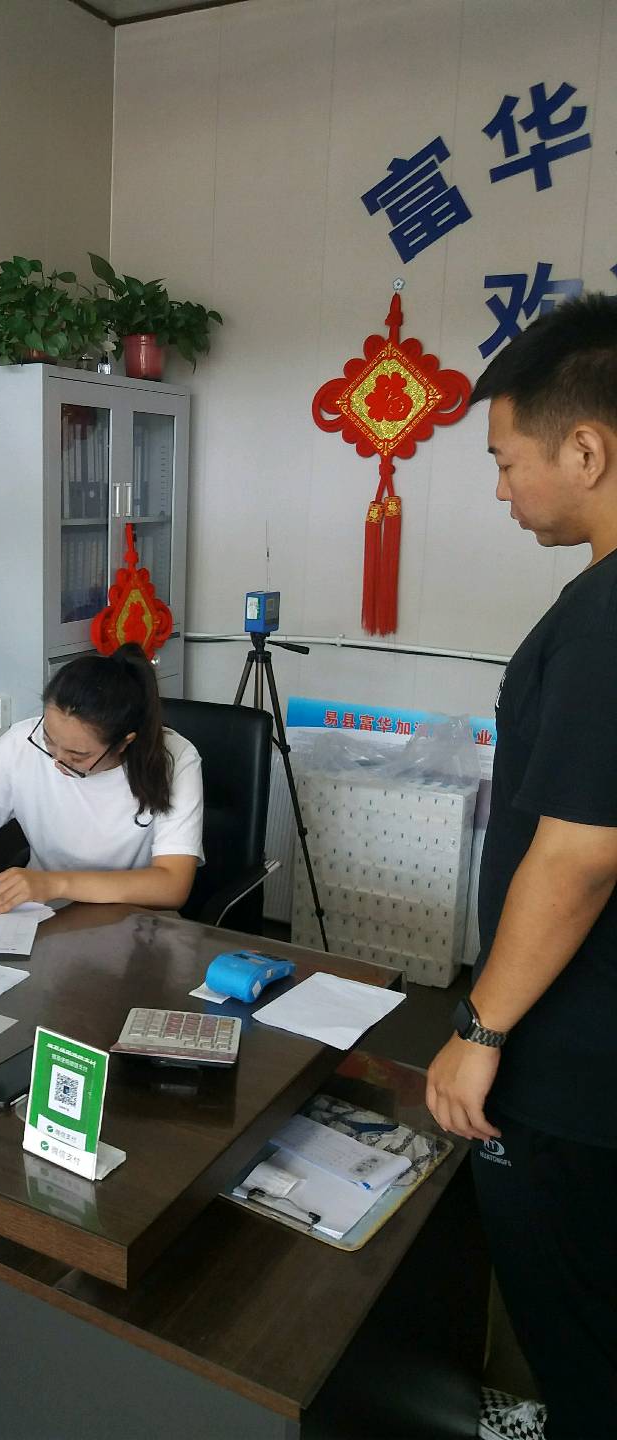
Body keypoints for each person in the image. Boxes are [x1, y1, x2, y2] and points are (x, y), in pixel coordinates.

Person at [425, 294, 617, 1440]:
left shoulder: (607, 613)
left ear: (586, 449)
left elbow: (583, 853)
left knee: (575, 1324)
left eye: (505, 462)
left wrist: (480, 1028)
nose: (502, 490)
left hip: (576, 1064)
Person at [0, 643, 203, 913]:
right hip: (38, 914)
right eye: (48, 740)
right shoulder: (22, 741)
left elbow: (172, 885)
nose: (57, 760)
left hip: (134, 920)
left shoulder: (175, 759)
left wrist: (55, 884)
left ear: (124, 743)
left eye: (77, 755)